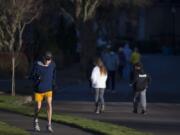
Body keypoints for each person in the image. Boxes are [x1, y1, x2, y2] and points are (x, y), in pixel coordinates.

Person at [30, 51, 56, 132]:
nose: (48, 61)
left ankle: (49, 125)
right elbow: (31, 76)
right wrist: (37, 78)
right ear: (43, 58)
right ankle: (36, 122)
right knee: (38, 107)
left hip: (48, 89)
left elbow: (54, 76)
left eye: (49, 59)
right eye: (47, 59)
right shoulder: (37, 65)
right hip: (39, 90)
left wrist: (54, 84)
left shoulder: (53, 65)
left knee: (49, 105)